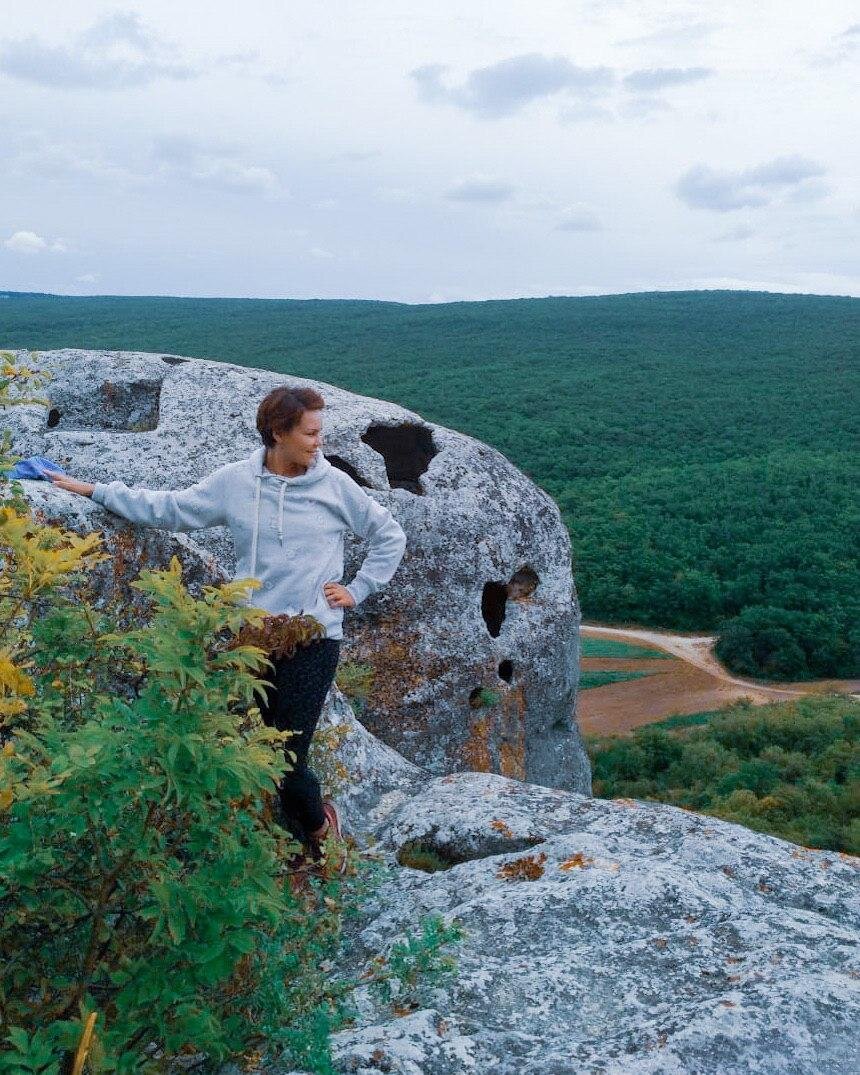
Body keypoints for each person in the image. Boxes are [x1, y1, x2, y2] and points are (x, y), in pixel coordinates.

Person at [49, 384, 407, 874]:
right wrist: (95, 491)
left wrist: (359, 588)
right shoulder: (237, 482)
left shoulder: (334, 487)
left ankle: (323, 834)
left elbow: (388, 533)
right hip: (253, 637)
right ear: (278, 433)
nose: (318, 442)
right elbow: (172, 508)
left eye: (320, 432)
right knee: (256, 747)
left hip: (313, 635)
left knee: (287, 752)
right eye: (309, 433)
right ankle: (288, 833)